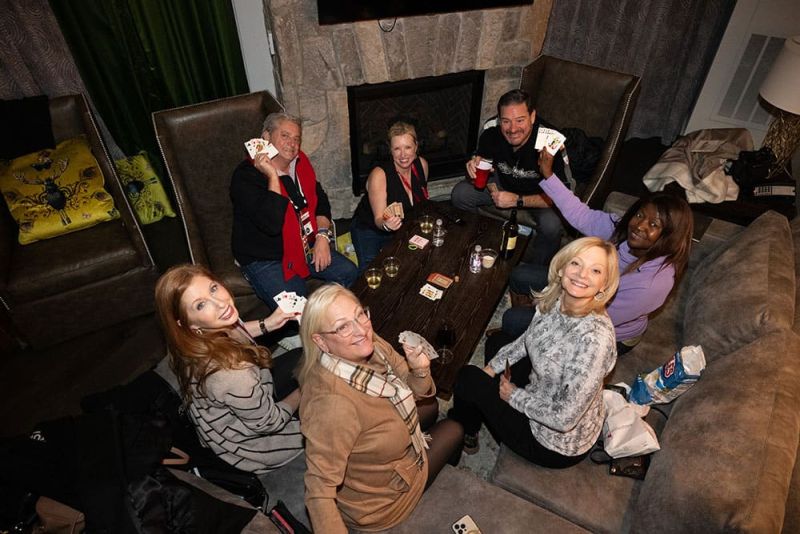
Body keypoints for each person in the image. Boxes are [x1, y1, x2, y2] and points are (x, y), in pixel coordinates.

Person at [298, 284, 463, 533]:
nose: (360, 330)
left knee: (432, 406)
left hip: (383, 432)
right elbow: (318, 491)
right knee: (454, 429)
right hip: (381, 501)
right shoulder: (332, 407)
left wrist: (419, 369)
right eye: (342, 326)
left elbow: (411, 386)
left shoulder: (369, 343)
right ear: (321, 341)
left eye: (360, 314)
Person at [497, 149, 694, 355]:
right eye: (640, 214)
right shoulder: (622, 232)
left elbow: (594, 317)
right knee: (519, 275)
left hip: (603, 329)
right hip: (586, 291)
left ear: (668, 235)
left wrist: (547, 305)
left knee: (512, 320)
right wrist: (549, 175)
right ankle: (528, 333)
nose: (639, 226)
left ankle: (527, 341)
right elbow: (582, 215)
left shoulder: (651, 284)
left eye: (653, 224)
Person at [448, 237, 620, 464]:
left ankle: (463, 432)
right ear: (562, 268)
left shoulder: (595, 341)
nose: (582, 275)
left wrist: (514, 396)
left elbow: (564, 419)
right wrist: (490, 369)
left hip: (551, 441)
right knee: (497, 343)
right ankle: (479, 411)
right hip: (542, 386)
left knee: (467, 377)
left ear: (604, 285)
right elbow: (530, 339)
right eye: (576, 263)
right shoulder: (557, 295)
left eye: (596, 270)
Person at [154, 264, 304, 474]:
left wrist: (268, 324)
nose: (220, 303)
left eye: (213, 288)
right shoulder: (232, 373)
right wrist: (304, 387)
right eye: (200, 305)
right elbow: (270, 423)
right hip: (251, 445)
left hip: (229, 412)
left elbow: (236, 329)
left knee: (305, 359)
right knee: (334, 408)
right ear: (188, 323)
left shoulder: (190, 337)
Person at [230, 112, 358, 310]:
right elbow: (271, 223)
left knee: (349, 272)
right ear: (266, 137)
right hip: (266, 257)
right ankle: (296, 335)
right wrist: (273, 175)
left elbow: (320, 200)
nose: (292, 143)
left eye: (297, 138)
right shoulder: (245, 177)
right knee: (297, 307)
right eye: (285, 136)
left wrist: (323, 237)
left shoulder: (301, 163)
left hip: (305, 244)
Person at [451, 88, 565, 267]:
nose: (512, 129)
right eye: (506, 121)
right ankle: (475, 244)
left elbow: (562, 197)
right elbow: (483, 165)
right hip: (502, 184)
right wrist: (480, 175)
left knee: (552, 225)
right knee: (460, 193)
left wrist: (517, 201)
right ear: (499, 120)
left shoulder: (550, 140)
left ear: (532, 116)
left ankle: (533, 273)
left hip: (540, 195)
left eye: (520, 120)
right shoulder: (492, 130)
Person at [350, 121, 429, 270]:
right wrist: (387, 225)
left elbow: (421, 200)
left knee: (412, 264)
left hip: (402, 226)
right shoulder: (379, 174)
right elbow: (379, 219)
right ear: (391, 151)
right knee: (372, 271)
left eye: (408, 147)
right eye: (397, 149)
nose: (403, 154)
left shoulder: (422, 165)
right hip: (369, 229)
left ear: (416, 147)